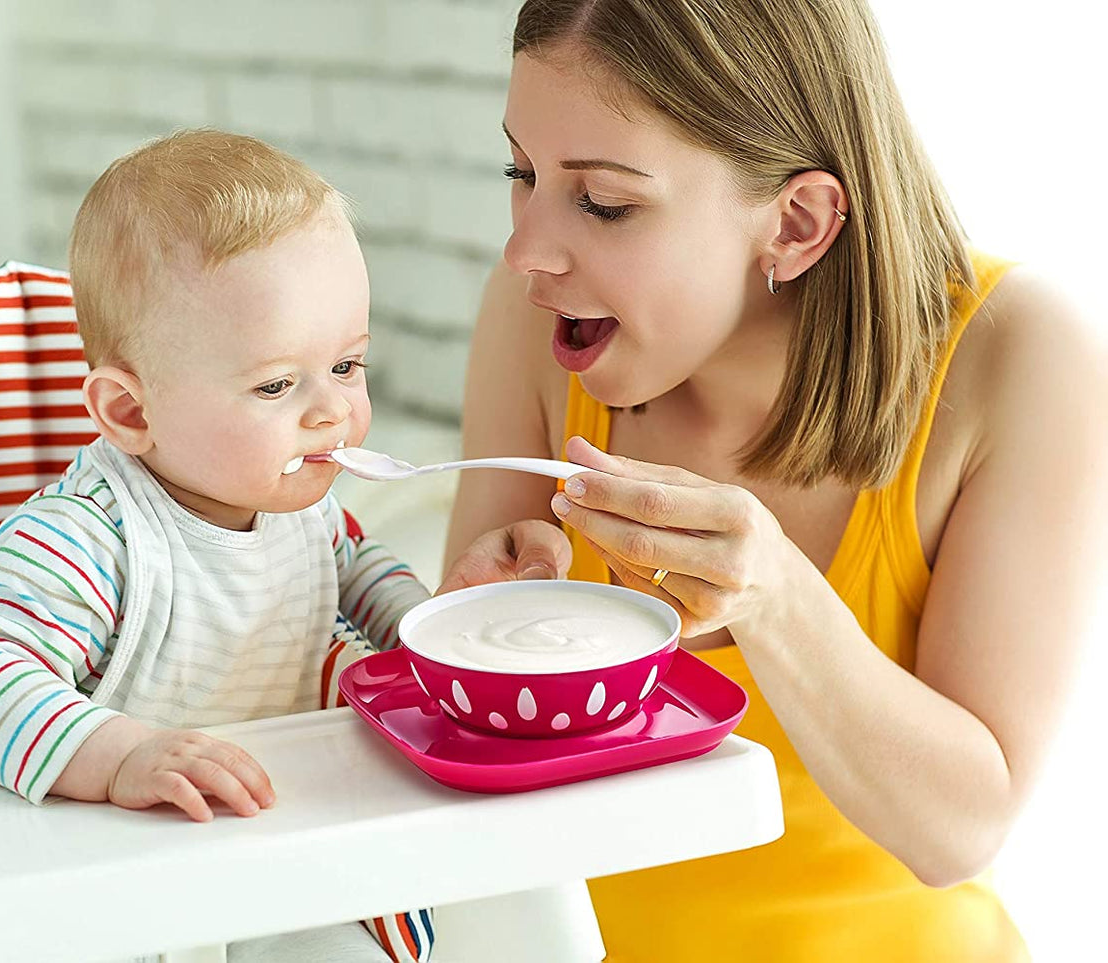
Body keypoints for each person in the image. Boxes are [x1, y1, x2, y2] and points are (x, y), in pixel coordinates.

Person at [439, 1, 1106, 959]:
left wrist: (777, 597)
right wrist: (480, 639)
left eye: (604, 202)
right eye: (522, 173)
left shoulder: (1020, 358)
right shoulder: (537, 324)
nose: (526, 251)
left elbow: (959, 831)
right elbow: (465, 765)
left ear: (794, 224)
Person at [0, 129, 433, 962]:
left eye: (346, 365)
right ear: (130, 413)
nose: (331, 412)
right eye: (276, 384)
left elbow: (359, 572)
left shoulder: (301, 510)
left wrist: (436, 634)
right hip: (117, 875)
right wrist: (122, 758)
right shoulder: (89, 535)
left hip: (279, 841)